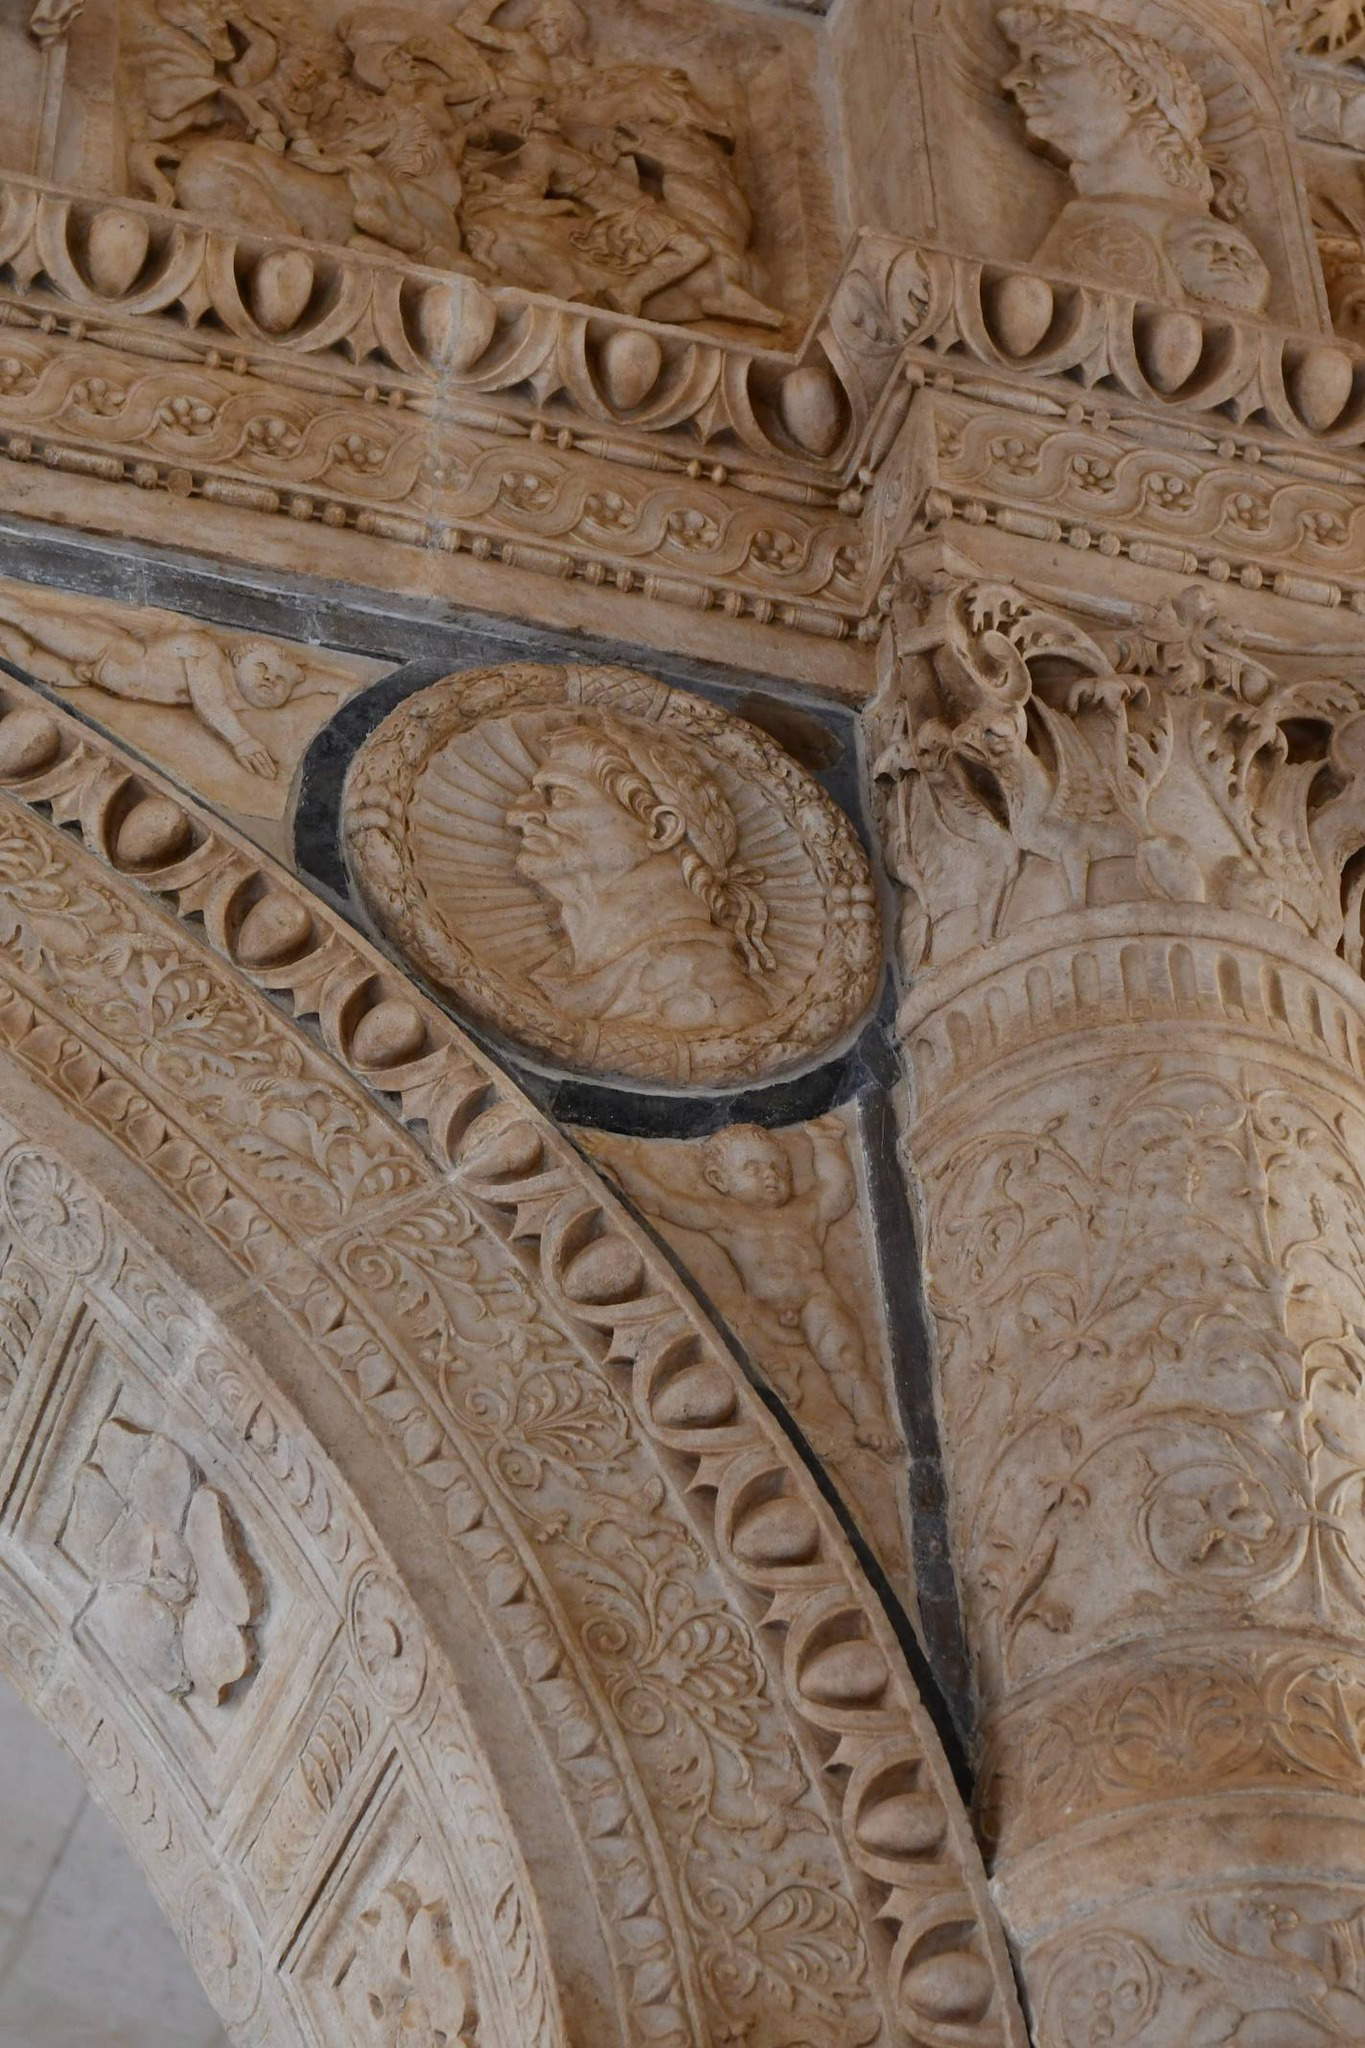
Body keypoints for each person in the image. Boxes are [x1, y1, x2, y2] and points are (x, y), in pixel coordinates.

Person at [619, 1120, 899, 1454]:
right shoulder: (726, 1217)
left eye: (778, 1167)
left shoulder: (804, 1211)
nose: (771, 1176)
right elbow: (664, 1204)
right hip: (760, 1309)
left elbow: (838, 1190)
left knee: (843, 1351)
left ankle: (870, 1419)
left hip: (813, 1299)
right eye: (752, 1168)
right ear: (718, 1180)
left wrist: (827, 1142)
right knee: (735, 1328)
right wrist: (623, 1162)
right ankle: (778, 1384)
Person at [508, 713, 773, 1034]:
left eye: (560, 795)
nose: (519, 816)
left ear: (661, 828)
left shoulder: (710, 995)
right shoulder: (562, 974)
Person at [1000, 3, 1270, 314]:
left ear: (1135, 92)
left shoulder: (1202, 241)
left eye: (1042, 63)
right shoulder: (1094, 214)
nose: (1012, 80)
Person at [0, 598, 336, 777]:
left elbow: (305, 686)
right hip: (108, 650)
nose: (268, 680)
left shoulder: (239, 697)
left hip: (99, 678)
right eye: (263, 667)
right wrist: (242, 740)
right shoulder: (206, 653)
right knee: (27, 618)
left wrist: (330, 687)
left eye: (277, 685)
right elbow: (208, 701)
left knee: (24, 659)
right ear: (239, 656)